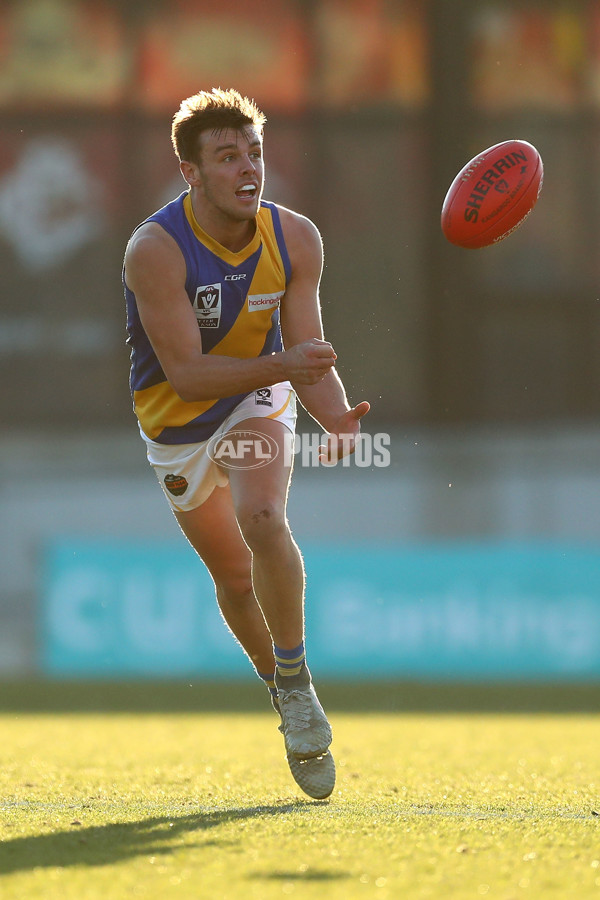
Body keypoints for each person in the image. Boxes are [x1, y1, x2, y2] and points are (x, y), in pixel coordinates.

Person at [123, 87, 369, 800]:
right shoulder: (155, 250)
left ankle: (297, 682)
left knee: (263, 519)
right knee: (234, 580)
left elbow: (305, 353)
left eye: (254, 153)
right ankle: (276, 682)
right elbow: (189, 377)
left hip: (256, 399)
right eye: (227, 157)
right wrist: (288, 369)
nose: (246, 169)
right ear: (190, 173)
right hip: (177, 421)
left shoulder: (294, 237)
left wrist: (335, 417)